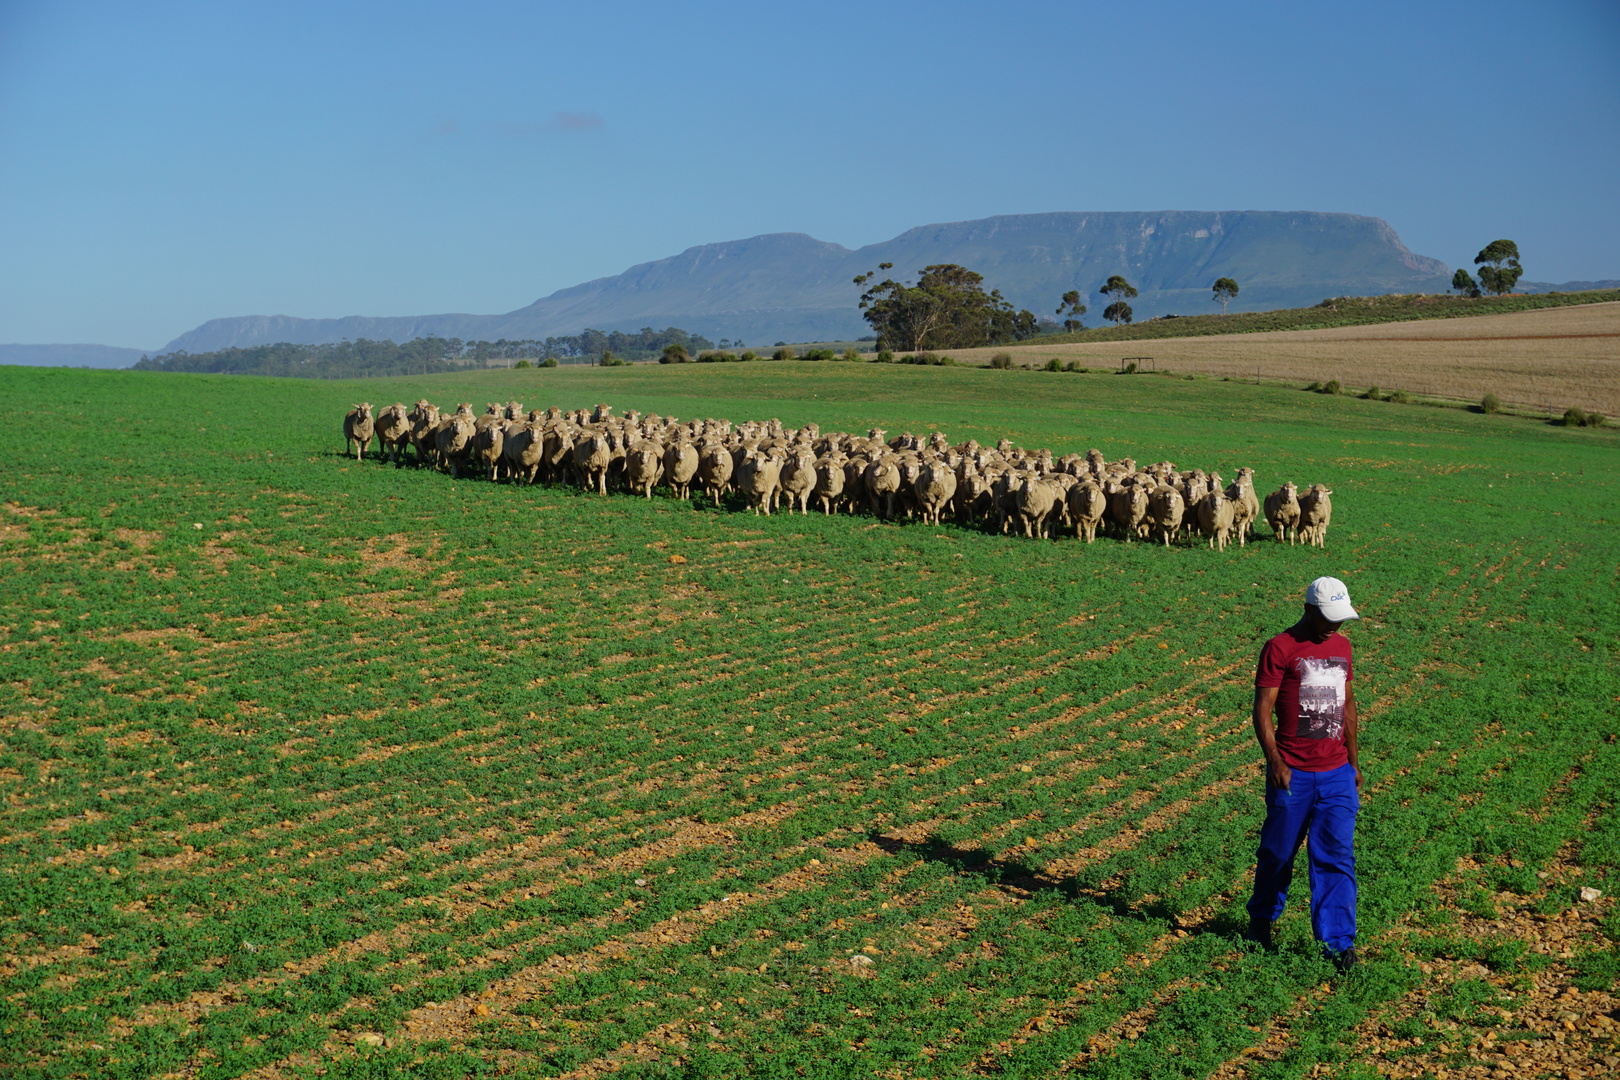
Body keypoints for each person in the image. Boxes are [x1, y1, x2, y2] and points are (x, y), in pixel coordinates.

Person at [1245, 576, 1362, 971]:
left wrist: (1353, 763)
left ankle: (1338, 944)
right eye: (1328, 617)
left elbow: (1348, 708)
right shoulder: (1280, 648)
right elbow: (1263, 709)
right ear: (1308, 608)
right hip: (1292, 773)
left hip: (1336, 775)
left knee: (1335, 857)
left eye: (1340, 618)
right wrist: (1275, 760)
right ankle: (1261, 920)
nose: (1335, 625)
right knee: (1277, 853)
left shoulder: (1343, 646)